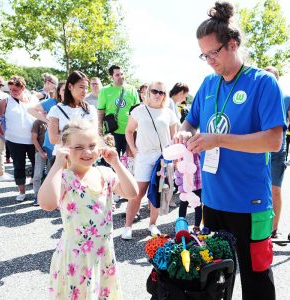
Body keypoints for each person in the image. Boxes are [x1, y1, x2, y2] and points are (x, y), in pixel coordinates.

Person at [174, 2, 286, 299]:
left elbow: (274, 141)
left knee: (257, 279)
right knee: (215, 279)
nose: (209, 60)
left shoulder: (263, 82)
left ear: (233, 44)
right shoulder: (209, 83)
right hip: (212, 199)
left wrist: (219, 140)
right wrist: (184, 132)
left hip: (250, 201)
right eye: (204, 54)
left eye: (214, 52)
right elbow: (191, 120)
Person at [38, 119, 138, 299]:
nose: (87, 152)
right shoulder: (65, 178)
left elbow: (132, 192)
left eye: (92, 145)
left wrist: (116, 163)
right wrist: (57, 165)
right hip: (76, 258)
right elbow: (47, 204)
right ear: (65, 149)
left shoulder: (105, 174)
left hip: (103, 254)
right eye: (78, 147)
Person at [122, 81, 177, 240]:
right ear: (148, 93)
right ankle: (128, 226)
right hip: (144, 156)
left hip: (163, 157)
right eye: (154, 91)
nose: (158, 94)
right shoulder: (139, 111)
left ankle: (152, 224)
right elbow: (129, 131)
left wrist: (175, 157)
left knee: (157, 192)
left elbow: (174, 137)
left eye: (161, 92)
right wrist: (133, 150)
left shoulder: (169, 113)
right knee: (136, 193)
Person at [0, 76, 38, 201]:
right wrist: (3, 133)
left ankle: (37, 191)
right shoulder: (5, 101)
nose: (12, 92)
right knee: (18, 166)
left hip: (33, 140)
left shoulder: (33, 99)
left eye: (16, 90)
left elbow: (41, 115)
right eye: (10, 89)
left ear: (23, 88)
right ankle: (21, 192)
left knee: (36, 165)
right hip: (14, 140)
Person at [264, 66, 290, 238]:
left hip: (277, 152)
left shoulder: (286, 98)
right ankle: (255, 228)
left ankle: (273, 229)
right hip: (257, 150)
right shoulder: (256, 96)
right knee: (256, 190)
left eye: (271, 78)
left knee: (275, 190)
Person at [47, 71, 98, 152]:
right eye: (81, 87)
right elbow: (53, 139)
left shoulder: (90, 109)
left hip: (85, 157)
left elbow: (94, 134)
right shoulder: (56, 110)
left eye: (86, 88)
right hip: (63, 158)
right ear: (70, 86)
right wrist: (82, 139)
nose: (84, 91)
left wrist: (67, 137)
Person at [97, 65, 139, 156]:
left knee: (128, 161)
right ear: (111, 77)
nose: (121, 77)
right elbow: (100, 111)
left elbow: (137, 110)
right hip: (112, 132)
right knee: (109, 160)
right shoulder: (104, 91)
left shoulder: (132, 90)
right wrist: (99, 127)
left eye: (122, 74)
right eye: (117, 75)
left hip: (129, 132)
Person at [28, 80, 66, 163]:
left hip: (67, 142)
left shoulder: (75, 104)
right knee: (55, 169)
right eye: (63, 90)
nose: (66, 92)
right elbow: (30, 109)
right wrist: (47, 121)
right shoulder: (52, 102)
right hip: (53, 142)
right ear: (59, 92)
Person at [31, 118, 49, 206]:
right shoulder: (37, 122)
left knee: (51, 175)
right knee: (37, 174)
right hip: (40, 151)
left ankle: (49, 195)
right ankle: (37, 195)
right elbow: (34, 139)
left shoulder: (56, 119)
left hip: (53, 152)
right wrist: (41, 152)